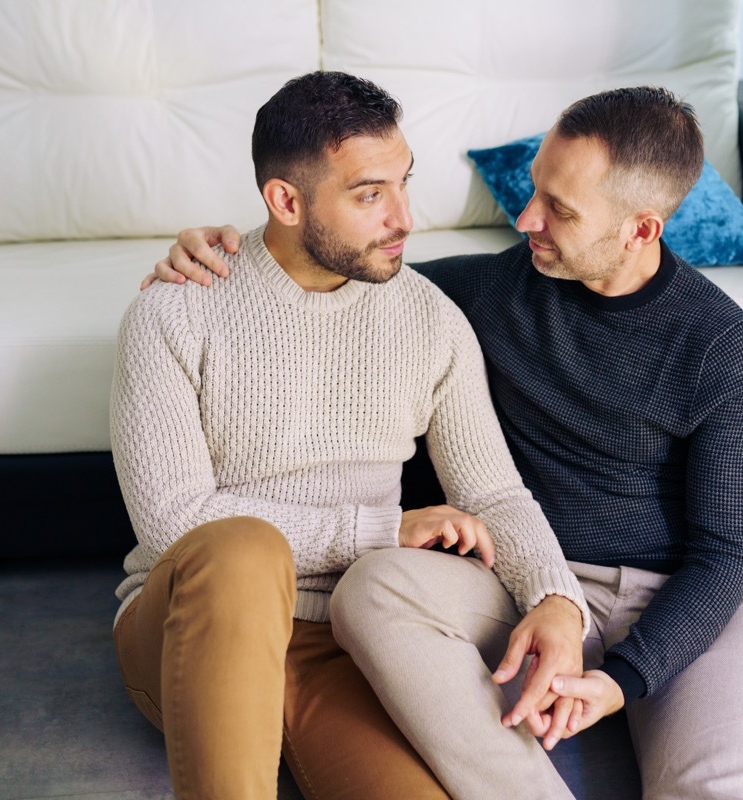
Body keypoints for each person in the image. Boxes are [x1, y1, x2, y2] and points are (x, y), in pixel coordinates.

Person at [150, 85, 743, 799]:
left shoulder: (722, 345)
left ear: (641, 230)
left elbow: (727, 556)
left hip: (680, 595)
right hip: (512, 591)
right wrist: (212, 255)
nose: (526, 220)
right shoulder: (478, 295)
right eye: (534, 191)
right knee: (374, 589)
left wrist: (621, 680)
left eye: (560, 210)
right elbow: (332, 279)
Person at [110, 70, 592, 800]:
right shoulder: (175, 313)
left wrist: (557, 598)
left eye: (404, 182)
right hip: (195, 624)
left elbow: (492, 491)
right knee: (245, 548)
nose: (403, 217)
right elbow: (174, 520)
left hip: (342, 640)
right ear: (286, 201)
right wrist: (378, 532)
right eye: (370, 194)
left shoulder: (431, 319)